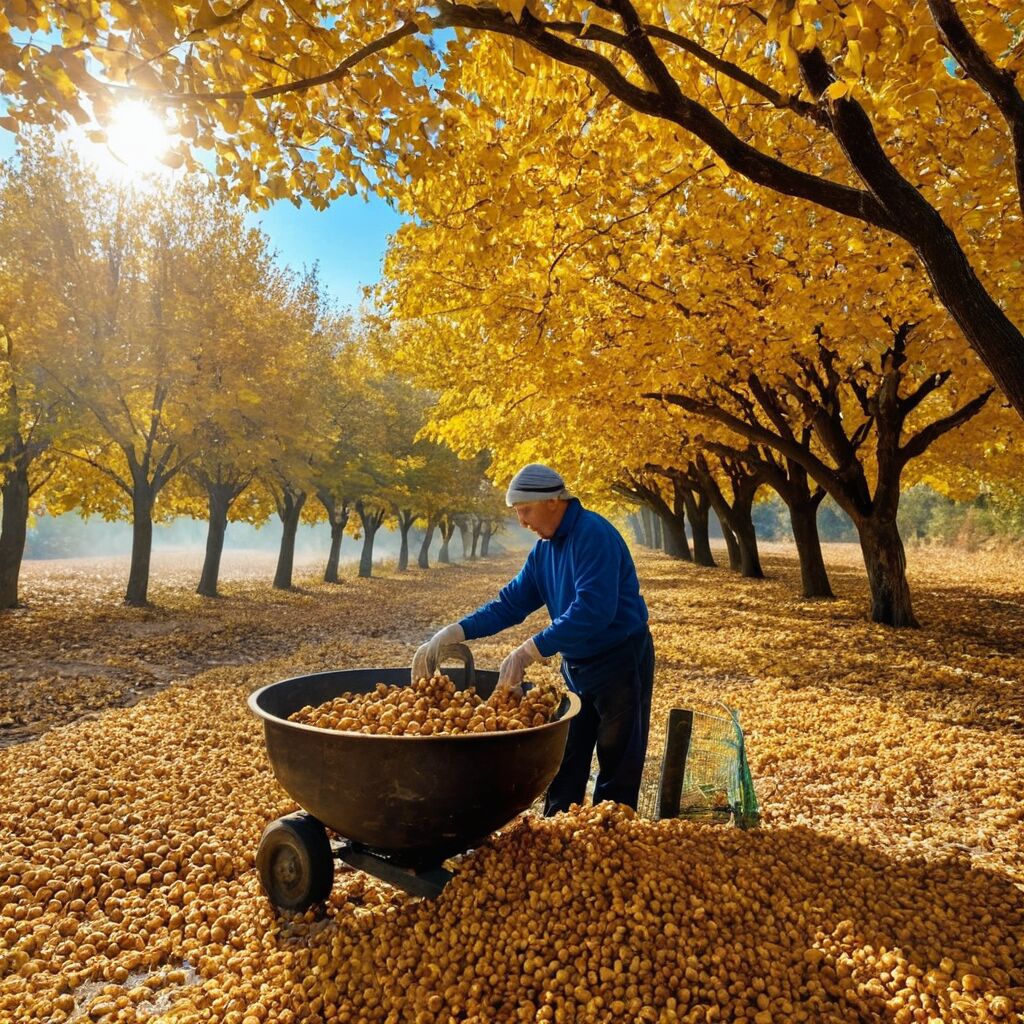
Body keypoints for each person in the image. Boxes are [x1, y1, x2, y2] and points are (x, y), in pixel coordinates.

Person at [412, 463, 655, 814]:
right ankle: (557, 829)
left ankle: (611, 836)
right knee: (567, 756)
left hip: (619, 659)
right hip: (576, 664)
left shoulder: (593, 535)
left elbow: (593, 611)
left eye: (525, 511)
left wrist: (528, 651)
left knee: (617, 757)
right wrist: (454, 632)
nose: (522, 522)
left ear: (554, 502)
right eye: (518, 513)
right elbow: (509, 604)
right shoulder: (545, 550)